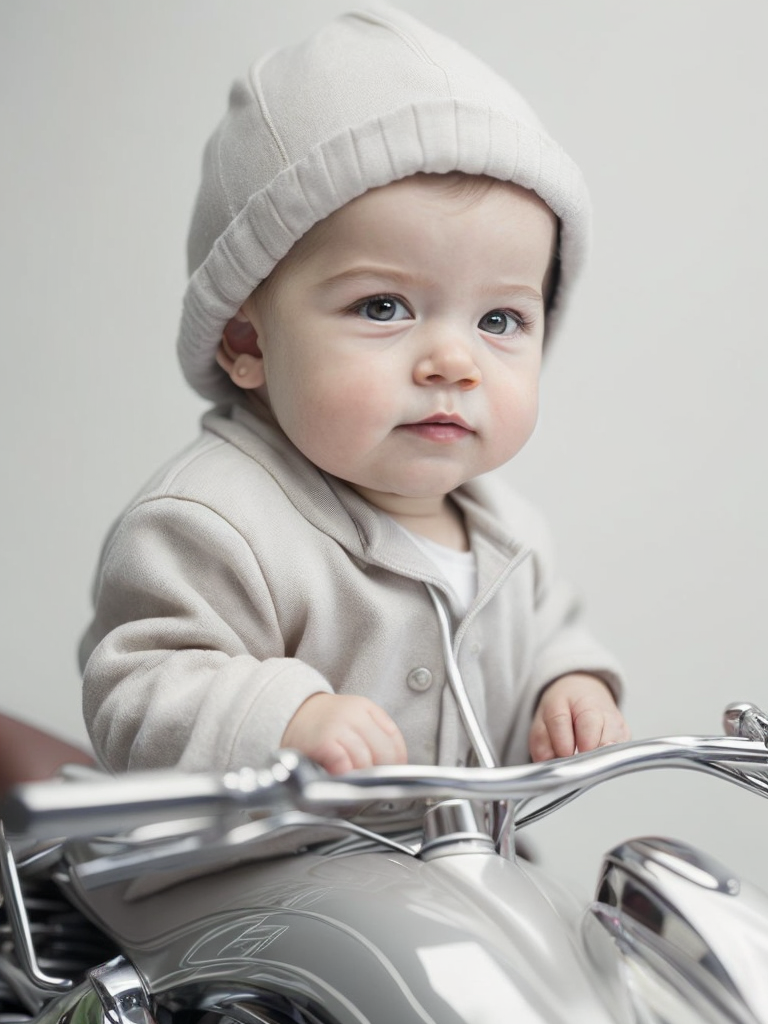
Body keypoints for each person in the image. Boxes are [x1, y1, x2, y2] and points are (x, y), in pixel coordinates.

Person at [79, 4, 629, 800]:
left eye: (500, 319)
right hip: (247, 904)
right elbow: (136, 692)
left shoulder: (511, 535)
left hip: (447, 878)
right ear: (247, 343)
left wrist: (568, 689)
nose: (454, 361)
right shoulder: (211, 522)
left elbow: (550, 635)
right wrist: (285, 719)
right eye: (383, 306)